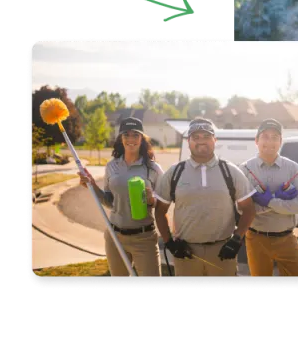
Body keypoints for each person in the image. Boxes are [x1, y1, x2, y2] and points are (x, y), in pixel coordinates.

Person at [153, 118, 256, 277]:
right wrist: (170, 243)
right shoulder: (175, 173)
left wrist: (236, 240)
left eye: (206, 136)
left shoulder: (230, 171)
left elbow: (249, 209)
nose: (201, 141)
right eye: (196, 137)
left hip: (222, 251)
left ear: (215, 140)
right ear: (188, 141)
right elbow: (160, 212)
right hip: (186, 252)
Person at [77, 117, 164, 277]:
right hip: (115, 237)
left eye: (135, 135)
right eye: (126, 135)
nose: (131, 139)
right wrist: (92, 185)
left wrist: (152, 200)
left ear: (142, 139)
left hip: (144, 238)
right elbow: (110, 202)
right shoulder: (112, 166)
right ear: (121, 138)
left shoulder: (153, 169)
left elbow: (163, 205)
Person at [240, 119, 298, 277]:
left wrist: (270, 201)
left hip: (287, 239)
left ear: (280, 142)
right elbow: (242, 209)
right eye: (265, 136)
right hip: (256, 239)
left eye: (275, 137)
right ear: (256, 141)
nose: (270, 141)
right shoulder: (245, 170)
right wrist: (280, 201)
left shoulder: (293, 168)